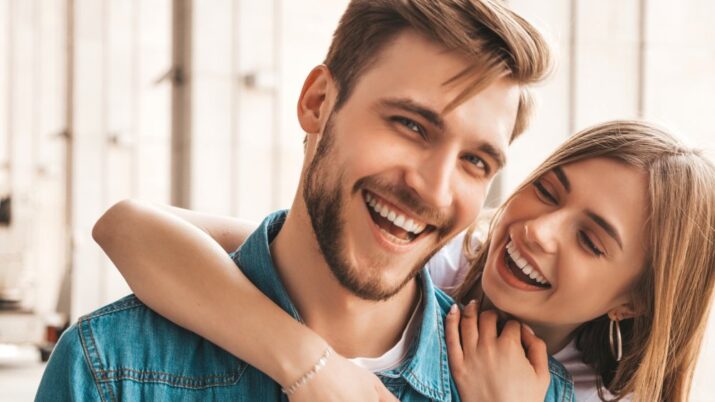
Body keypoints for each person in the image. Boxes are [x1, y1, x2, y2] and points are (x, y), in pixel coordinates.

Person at [35, 0, 562, 401]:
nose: (435, 188)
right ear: (317, 103)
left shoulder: (529, 390)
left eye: (476, 162)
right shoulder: (111, 367)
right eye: (411, 125)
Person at [92, 120, 715, 402]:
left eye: (591, 241)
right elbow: (130, 227)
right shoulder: (424, 267)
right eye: (548, 191)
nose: (539, 231)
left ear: (631, 301)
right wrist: (318, 370)